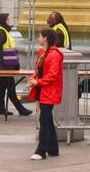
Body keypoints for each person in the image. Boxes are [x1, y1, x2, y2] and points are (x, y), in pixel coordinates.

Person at [27, 27, 64, 161]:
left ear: (45, 39)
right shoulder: (44, 52)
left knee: (44, 120)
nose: (38, 38)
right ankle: (53, 149)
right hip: (45, 91)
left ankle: (41, 150)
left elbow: (52, 75)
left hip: (49, 92)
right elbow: (38, 69)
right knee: (47, 120)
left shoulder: (53, 55)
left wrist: (37, 82)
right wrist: (34, 79)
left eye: (40, 36)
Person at [0, 12, 30, 118]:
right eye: (7, 19)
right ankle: (21, 109)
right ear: (3, 21)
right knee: (11, 88)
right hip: (5, 66)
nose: (9, 21)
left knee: (2, 87)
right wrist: (1, 64)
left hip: (5, 65)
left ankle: (0, 109)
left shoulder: (2, 31)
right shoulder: (1, 32)